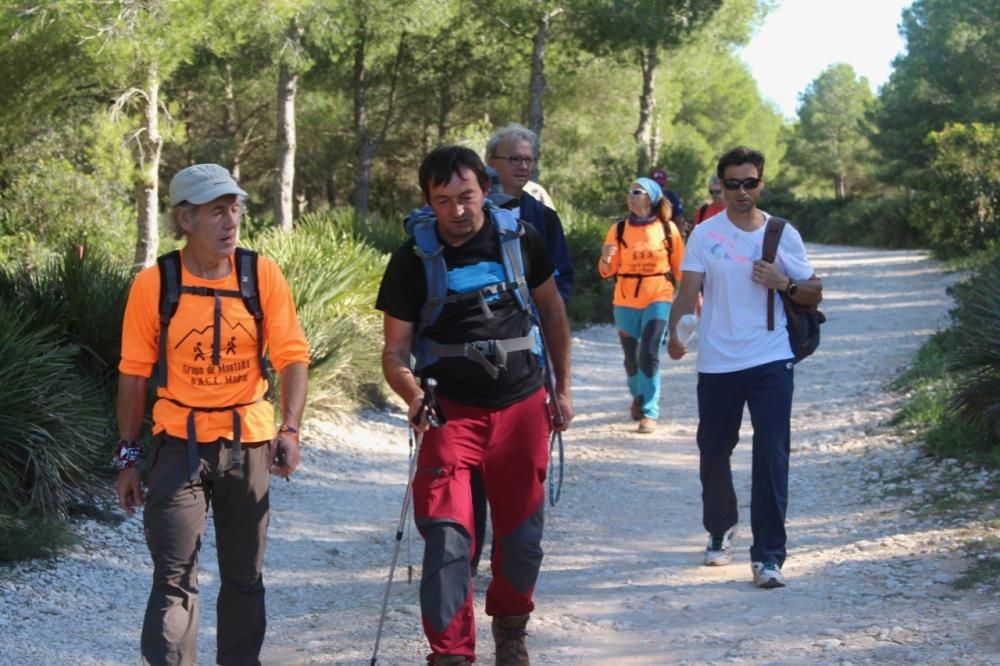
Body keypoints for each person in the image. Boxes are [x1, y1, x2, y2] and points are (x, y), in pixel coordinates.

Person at [376, 145, 573, 665]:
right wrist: (413, 394)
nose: (458, 211)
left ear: (485, 189)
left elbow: (552, 313)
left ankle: (510, 630)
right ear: (428, 201)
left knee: (521, 538)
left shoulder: (520, 238)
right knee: (446, 541)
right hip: (448, 413)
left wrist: (563, 390)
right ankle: (451, 655)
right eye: (444, 201)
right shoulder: (411, 259)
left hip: (522, 407)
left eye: (466, 197)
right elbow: (394, 352)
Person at [114, 163, 310, 664]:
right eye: (217, 211)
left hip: (249, 446)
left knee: (244, 577)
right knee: (174, 577)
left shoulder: (259, 274)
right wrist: (129, 457)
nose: (231, 221)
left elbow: (291, 355)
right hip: (179, 445)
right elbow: (134, 373)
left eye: (235, 209)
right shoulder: (155, 282)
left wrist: (289, 429)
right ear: (186, 219)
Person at [666, 146, 822, 589]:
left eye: (749, 182)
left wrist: (784, 282)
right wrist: (677, 335)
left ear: (761, 183)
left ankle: (769, 556)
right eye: (731, 183)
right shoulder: (705, 235)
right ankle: (720, 526)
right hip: (717, 360)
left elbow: (814, 291)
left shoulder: (780, 233)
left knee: (771, 454)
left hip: (771, 357)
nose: (740, 191)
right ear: (720, 186)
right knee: (713, 450)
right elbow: (687, 291)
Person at [598, 177, 685, 434]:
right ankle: (638, 396)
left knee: (648, 353)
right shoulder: (619, 229)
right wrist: (604, 259)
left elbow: (682, 268)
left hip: (658, 294)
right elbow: (606, 272)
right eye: (630, 192)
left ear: (651, 198)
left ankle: (649, 412)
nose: (630, 196)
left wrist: (694, 298)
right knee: (630, 360)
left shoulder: (668, 229)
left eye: (636, 192)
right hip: (624, 299)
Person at [486, 123, 574, 303]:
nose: (523, 166)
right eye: (515, 159)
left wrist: (544, 316)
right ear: (492, 163)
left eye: (528, 160)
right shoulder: (471, 211)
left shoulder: (545, 217)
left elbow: (561, 275)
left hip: (530, 323)